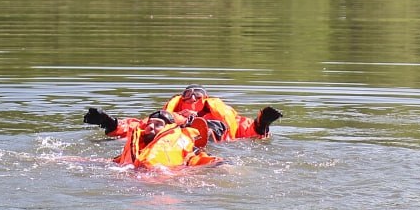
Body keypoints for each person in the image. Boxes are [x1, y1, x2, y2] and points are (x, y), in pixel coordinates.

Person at [84, 85, 282, 141]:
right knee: (159, 122)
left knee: (212, 128)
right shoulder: (167, 115)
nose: (193, 97)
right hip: (174, 132)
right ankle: (192, 134)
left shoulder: (218, 115)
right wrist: (110, 122)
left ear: (206, 99)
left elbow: (246, 129)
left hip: (210, 133)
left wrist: (261, 124)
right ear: (181, 98)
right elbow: (138, 125)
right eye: (188, 93)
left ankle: (201, 134)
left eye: (198, 94)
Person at [112, 111, 221, 170]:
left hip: (168, 181)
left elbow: (206, 160)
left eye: (158, 125)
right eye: (149, 124)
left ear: (168, 129)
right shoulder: (137, 147)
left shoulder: (186, 147)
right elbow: (114, 162)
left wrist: (222, 164)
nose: (150, 127)